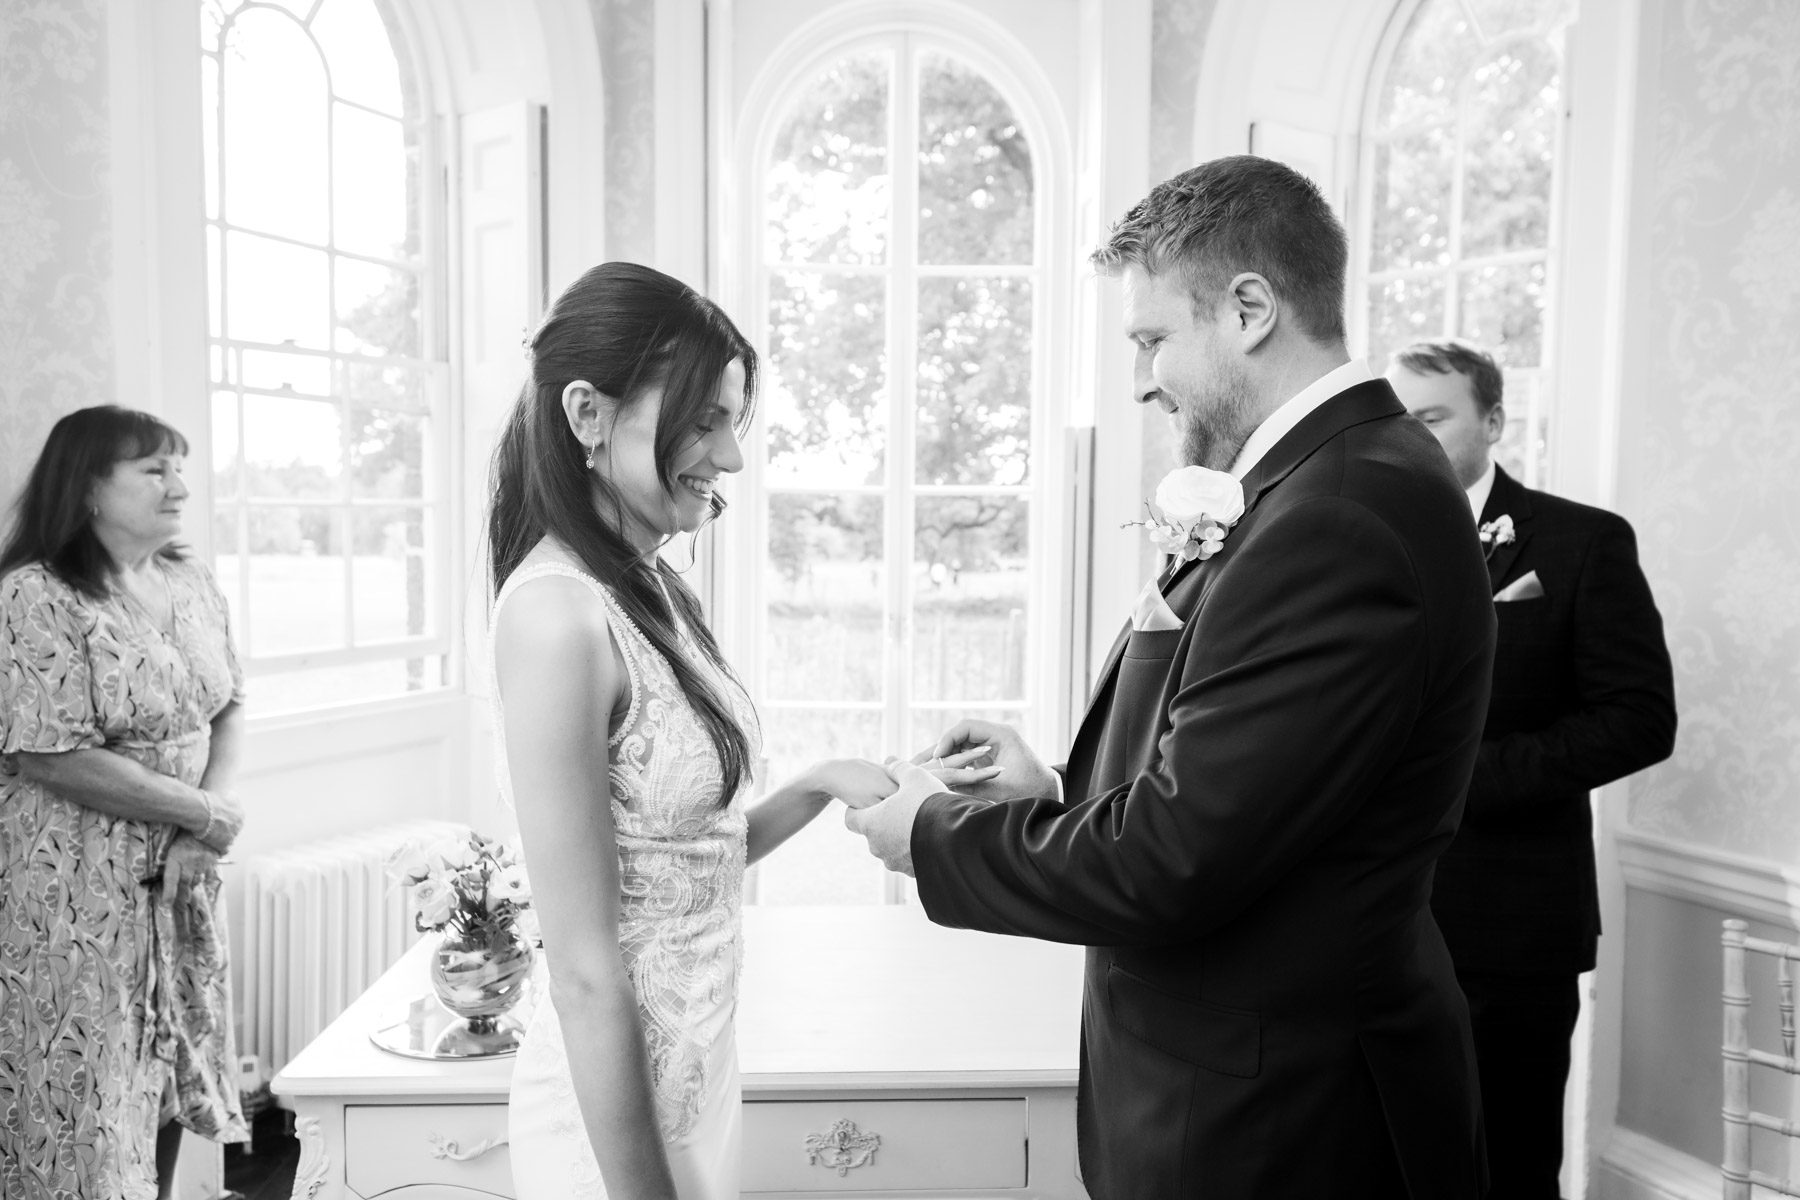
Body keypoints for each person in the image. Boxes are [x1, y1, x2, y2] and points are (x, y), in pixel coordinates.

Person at [843, 157, 1495, 1197]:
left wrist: (928, 835)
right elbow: (1242, 792)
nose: (1143, 378)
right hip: (1231, 1088)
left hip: (1283, 1120)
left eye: (1151, 340)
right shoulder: (1312, 485)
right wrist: (1053, 792)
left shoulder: (1341, 514)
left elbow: (1175, 857)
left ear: (1248, 308)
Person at [488, 262, 994, 1200]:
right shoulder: (557, 619)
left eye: (733, 421)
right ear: (587, 415)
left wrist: (818, 782)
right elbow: (587, 971)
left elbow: (682, 865)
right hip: (612, 1127)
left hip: (699, 1081)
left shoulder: (650, 589)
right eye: (704, 420)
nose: (731, 458)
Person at [1388, 338, 1676, 1200]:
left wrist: (1458, 779)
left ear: (1494, 422)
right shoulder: (1354, 540)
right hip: (1366, 919)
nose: (1411, 436)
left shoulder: (1580, 543)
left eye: (1432, 417)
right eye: (1397, 420)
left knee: (1507, 1164)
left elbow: (1637, 720)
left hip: (1509, 923)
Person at [0, 406, 249, 1200]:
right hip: (75, 884)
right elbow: (47, 751)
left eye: (179, 466)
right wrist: (199, 814)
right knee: (85, 1090)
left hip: (181, 874)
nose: (179, 485)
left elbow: (231, 706)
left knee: (174, 1064)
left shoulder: (189, 579)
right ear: (89, 488)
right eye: (153, 469)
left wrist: (202, 827)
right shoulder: (33, 596)